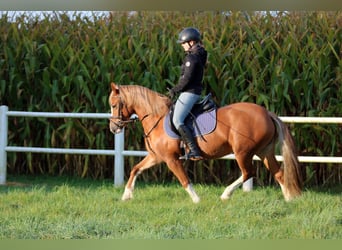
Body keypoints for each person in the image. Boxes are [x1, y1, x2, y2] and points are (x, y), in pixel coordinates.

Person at [168, 27, 208, 160]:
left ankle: (194, 150)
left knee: (177, 120)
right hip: (193, 92)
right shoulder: (198, 55)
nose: (182, 46)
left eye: (184, 43)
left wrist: (174, 90)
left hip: (189, 92)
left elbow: (187, 79)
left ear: (191, 42)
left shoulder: (192, 57)